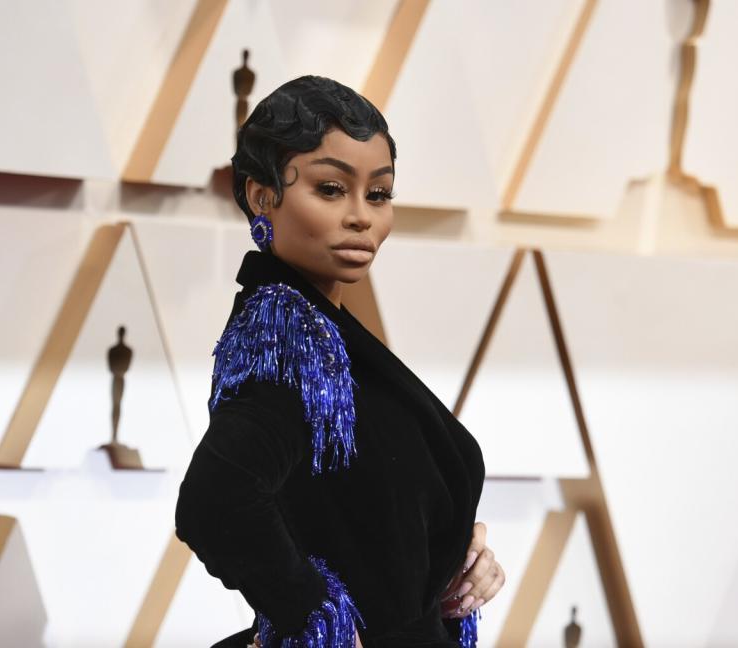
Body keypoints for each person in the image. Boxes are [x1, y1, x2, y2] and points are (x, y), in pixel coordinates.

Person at [175, 75, 505, 648]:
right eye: (331, 189)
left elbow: (357, 510)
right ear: (262, 196)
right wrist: (313, 615)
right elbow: (215, 499)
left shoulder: (329, 334)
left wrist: (455, 556)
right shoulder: (287, 338)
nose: (361, 217)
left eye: (378, 194)